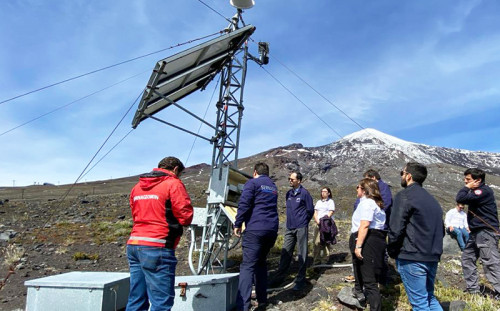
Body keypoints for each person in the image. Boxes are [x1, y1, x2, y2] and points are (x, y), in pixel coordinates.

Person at [126, 156, 194, 311]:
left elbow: (135, 212)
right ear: (176, 169)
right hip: (158, 245)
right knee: (161, 302)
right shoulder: (173, 184)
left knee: (136, 298)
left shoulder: (137, 187)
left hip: (135, 244)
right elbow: (185, 216)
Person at [388, 162, 444, 311]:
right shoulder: (433, 200)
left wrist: (392, 251)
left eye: (402, 172)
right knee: (429, 298)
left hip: (412, 256)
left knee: (420, 304)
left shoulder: (405, 196)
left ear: (408, 176)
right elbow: (441, 229)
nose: (401, 175)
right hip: (432, 256)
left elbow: (395, 228)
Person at [233, 162, 279, 311]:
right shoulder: (273, 187)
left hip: (255, 229)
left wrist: (238, 223)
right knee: (261, 264)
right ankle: (262, 301)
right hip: (271, 230)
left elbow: (244, 203)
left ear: (254, 172)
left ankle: (243, 306)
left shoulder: (252, 183)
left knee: (247, 266)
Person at [456, 168, 500, 297]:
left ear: (478, 180)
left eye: (468, 179)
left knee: (490, 261)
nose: (465, 181)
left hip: (486, 232)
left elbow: (460, 198)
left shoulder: (483, 191)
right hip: (476, 232)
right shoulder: (475, 192)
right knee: (467, 259)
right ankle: (473, 289)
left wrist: (466, 188)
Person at [271, 171, 314, 291]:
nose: (290, 181)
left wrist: (304, 222)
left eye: (292, 179)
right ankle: (279, 278)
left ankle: (300, 280)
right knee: (285, 252)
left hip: (300, 227)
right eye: (289, 179)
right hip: (289, 227)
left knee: (301, 253)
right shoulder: (288, 194)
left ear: (299, 181)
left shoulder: (305, 194)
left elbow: (310, 210)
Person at [350, 178, 386, 311]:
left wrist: (358, 245)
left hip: (367, 240)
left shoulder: (367, 204)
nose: (356, 189)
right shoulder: (375, 204)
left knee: (370, 281)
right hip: (374, 239)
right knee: (369, 277)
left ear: (364, 190)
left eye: (358, 187)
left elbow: (364, 224)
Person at [312, 187, 336, 266]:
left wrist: (324, 220)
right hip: (318, 223)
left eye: (325, 191)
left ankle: (325, 260)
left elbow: (331, 212)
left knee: (326, 241)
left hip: (326, 224)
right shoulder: (319, 202)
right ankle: (316, 260)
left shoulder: (330, 202)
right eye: (322, 191)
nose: (323, 193)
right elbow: (315, 212)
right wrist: (318, 221)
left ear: (328, 193)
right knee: (316, 242)